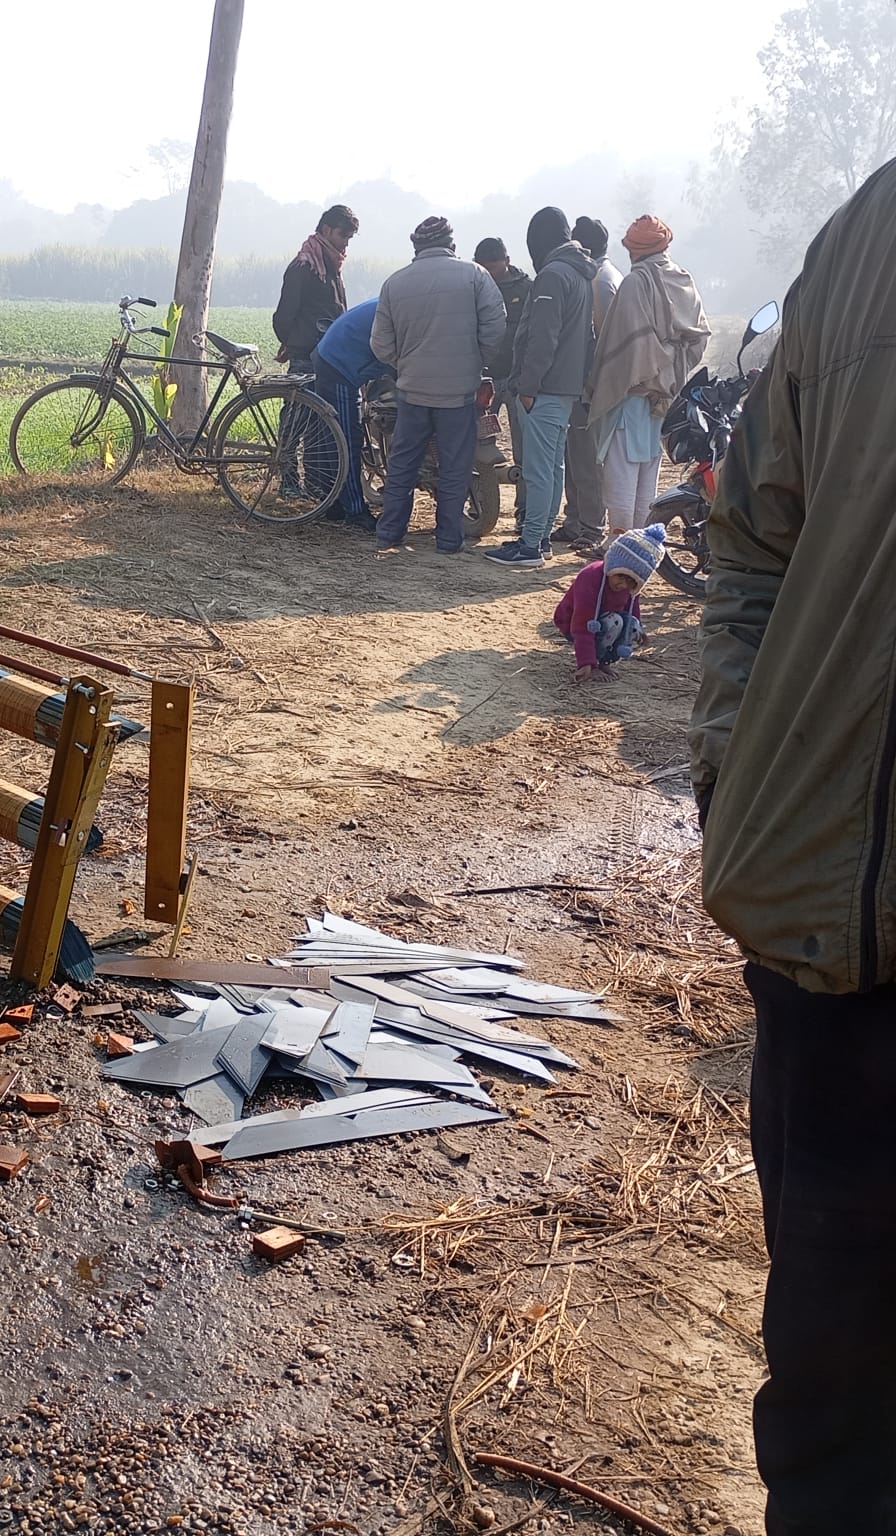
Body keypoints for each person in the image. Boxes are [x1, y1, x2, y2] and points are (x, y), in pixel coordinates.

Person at [688, 157, 896, 1536]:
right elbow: (759, 530)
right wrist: (737, 759)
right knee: (830, 1367)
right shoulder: (873, 226)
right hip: (838, 923)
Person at [370, 216, 506, 553]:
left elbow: (380, 344)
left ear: (416, 246)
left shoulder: (394, 283)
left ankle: (390, 533)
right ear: (452, 244)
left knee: (402, 462)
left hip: (413, 390)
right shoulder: (475, 276)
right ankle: (447, 539)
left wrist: (404, 364)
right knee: (455, 465)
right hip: (459, 392)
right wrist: (475, 359)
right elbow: (495, 328)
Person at [483, 208, 595, 568]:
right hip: (565, 387)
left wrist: (527, 386)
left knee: (537, 468)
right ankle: (541, 537)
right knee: (554, 467)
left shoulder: (552, 276)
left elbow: (542, 338)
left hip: (543, 388)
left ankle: (530, 545)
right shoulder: (580, 273)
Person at [585, 216, 709, 535]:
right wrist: (670, 367)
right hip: (665, 399)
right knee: (647, 481)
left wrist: (647, 366)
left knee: (621, 480)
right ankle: (641, 549)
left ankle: (621, 548)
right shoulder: (683, 279)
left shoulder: (635, 283)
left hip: (630, 397)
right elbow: (698, 339)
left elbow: (619, 348)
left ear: (632, 250)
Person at [273, 205, 358, 496]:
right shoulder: (305, 266)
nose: (345, 243)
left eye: (349, 238)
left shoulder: (331, 265)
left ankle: (315, 484)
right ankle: (288, 482)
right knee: (295, 421)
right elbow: (284, 316)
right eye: (342, 236)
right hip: (307, 355)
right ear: (325, 231)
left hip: (329, 356)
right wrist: (293, 344)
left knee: (319, 425)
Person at [553, 215, 621, 552]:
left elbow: (603, 340)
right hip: (587, 385)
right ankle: (576, 520)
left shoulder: (599, 281)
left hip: (590, 386)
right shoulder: (606, 275)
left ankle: (591, 526)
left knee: (585, 458)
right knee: (577, 454)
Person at [312, 297, 393, 528]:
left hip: (337, 351)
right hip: (339, 362)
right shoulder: (403, 311)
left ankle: (332, 504)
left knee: (332, 435)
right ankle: (355, 512)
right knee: (346, 438)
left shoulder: (399, 299)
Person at [552, 523, 664, 681]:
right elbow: (582, 623)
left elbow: (632, 607)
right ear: (612, 565)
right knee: (615, 622)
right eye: (620, 577)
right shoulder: (590, 577)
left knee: (631, 625)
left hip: (605, 619)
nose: (623, 585)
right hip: (574, 622)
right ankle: (594, 663)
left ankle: (605, 661)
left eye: (631, 582)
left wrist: (639, 628)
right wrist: (586, 663)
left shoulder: (631, 587)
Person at [473, 237, 533, 531]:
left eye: (495, 271)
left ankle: (524, 510)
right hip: (483, 379)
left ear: (507, 262)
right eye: (486, 271)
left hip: (516, 379)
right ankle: (481, 503)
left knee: (524, 447)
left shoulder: (527, 288)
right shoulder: (473, 285)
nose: (491, 278)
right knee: (479, 443)